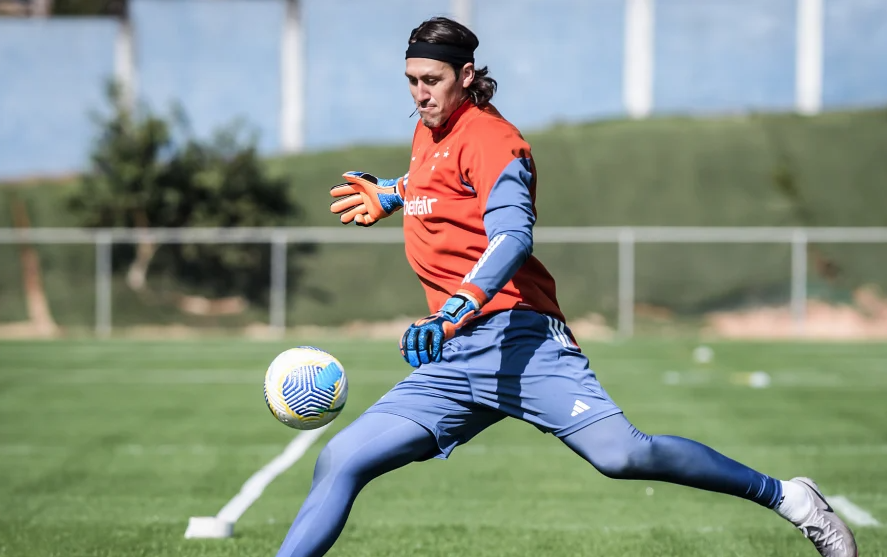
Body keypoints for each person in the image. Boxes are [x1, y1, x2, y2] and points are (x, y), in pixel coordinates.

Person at [276, 16, 857, 557]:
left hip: (521, 339)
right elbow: (439, 183)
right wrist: (393, 194)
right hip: (454, 357)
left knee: (625, 456)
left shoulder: (495, 139)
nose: (420, 93)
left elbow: (511, 238)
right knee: (342, 459)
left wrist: (455, 308)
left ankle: (790, 498)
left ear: (467, 77)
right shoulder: (430, 131)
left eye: (433, 80)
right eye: (411, 81)